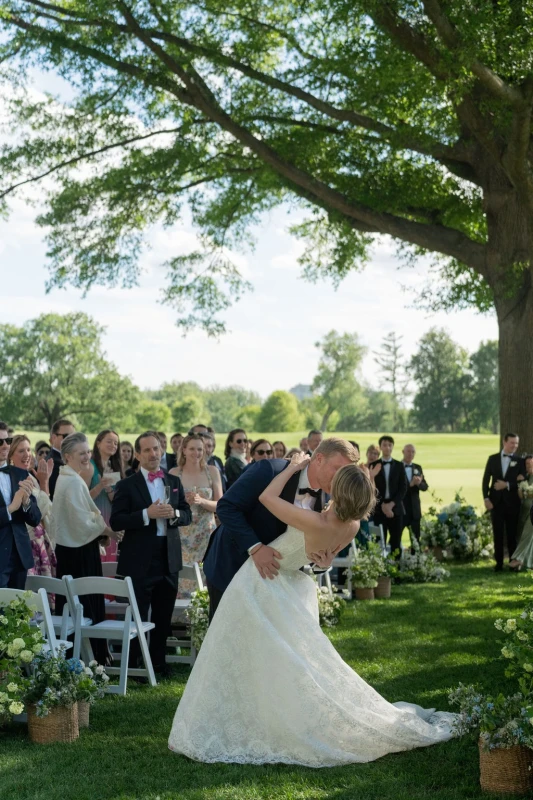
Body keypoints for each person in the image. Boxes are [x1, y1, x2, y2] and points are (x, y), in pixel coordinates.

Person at [169, 452, 456, 765]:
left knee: (245, 653)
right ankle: (256, 714)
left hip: (261, 583)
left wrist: (292, 467)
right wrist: (322, 562)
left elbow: (267, 498)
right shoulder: (352, 526)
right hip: (281, 583)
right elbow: (319, 556)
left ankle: (252, 720)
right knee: (274, 658)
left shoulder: (313, 518)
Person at [203, 438, 359, 620]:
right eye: (338, 469)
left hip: (274, 584)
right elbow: (226, 507)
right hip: (231, 567)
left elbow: (301, 545)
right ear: (319, 459)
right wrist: (255, 547)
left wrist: (321, 564)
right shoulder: (270, 470)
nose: (341, 479)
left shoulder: (329, 500)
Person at [110, 431, 192, 676]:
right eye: (147, 450)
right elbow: (116, 521)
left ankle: (158, 663)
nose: (153, 453)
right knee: (138, 612)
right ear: (137, 455)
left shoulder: (173, 481)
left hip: (168, 556)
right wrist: (147, 514)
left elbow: (187, 514)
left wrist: (174, 514)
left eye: (156, 448)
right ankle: (136, 664)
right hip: (139, 557)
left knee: (163, 613)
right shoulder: (126, 485)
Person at [50, 433, 117, 663]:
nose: (87, 456)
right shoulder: (72, 481)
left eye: (88, 452)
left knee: (75, 604)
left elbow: (80, 521)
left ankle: (81, 658)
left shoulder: (69, 477)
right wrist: (108, 532)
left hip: (74, 548)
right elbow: (83, 522)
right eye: (81, 453)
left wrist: (99, 534)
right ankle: (88, 659)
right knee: (83, 603)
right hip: (78, 554)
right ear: (67, 456)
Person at [169, 434, 222, 597]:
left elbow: (221, 505)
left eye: (200, 449)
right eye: (192, 449)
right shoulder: (174, 473)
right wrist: (182, 501)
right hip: (182, 535)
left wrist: (201, 501)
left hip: (206, 534)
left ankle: (204, 609)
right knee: (183, 576)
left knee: (205, 577)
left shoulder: (212, 471)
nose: (196, 453)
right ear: (184, 450)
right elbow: (168, 506)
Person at [0, 422, 41, 588]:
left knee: (18, 604)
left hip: (20, 556)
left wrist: (26, 503)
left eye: (7, 441)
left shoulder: (21, 473)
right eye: (0, 442)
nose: (5, 445)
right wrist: (10, 508)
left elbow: (35, 519)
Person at [9, 435, 56, 579]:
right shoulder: (12, 479)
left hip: (39, 541)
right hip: (26, 544)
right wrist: (44, 483)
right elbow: (36, 512)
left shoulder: (31, 477)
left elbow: (45, 508)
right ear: (10, 456)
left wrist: (44, 481)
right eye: (21, 451)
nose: (27, 454)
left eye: (28, 450)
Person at [482, 433, 525, 572]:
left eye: (516, 443)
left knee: (512, 535)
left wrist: (506, 485)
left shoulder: (519, 461)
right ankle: (499, 563)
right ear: (504, 442)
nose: (515, 446)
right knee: (498, 534)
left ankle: (513, 562)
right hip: (496, 503)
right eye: (512, 442)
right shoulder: (492, 459)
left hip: (513, 504)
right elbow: (485, 480)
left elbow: (522, 482)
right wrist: (486, 499)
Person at [87, 430, 124, 562]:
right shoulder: (89, 466)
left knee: (110, 563)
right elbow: (83, 498)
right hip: (93, 521)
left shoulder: (114, 467)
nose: (113, 445)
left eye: (116, 443)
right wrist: (100, 486)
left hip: (110, 521)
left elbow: (116, 501)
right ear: (98, 443)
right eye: (109, 441)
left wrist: (109, 490)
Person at [370, 435, 408, 556]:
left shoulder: (399, 465)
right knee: (378, 542)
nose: (387, 447)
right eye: (384, 445)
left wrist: (391, 505)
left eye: (390, 445)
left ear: (392, 447)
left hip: (396, 509)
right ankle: (379, 567)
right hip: (379, 509)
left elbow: (403, 488)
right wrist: (382, 505)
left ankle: (397, 567)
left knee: (396, 542)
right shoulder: (374, 465)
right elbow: (372, 488)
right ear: (380, 447)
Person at [401, 444, 428, 549]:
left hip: (414, 510)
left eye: (413, 452)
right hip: (401, 509)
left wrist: (419, 483)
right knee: (396, 539)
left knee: (416, 540)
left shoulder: (417, 467)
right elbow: (395, 488)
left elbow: (425, 487)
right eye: (408, 451)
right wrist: (410, 484)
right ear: (403, 452)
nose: (410, 454)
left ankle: (415, 557)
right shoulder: (397, 466)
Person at [510, 455, 533, 570]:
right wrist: (520, 488)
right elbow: (521, 496)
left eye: (531, 463)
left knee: (527, 534)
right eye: (527, 464)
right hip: (524, 509)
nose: (529, 466)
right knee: (520, 534)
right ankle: (527, 563)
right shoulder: (525, 477)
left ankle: (517, 559)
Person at [47, 418, 75, 500]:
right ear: (54, 437)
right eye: (67, 436)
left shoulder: (67, 458)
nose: (72, 440)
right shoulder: (53, 462)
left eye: (73, 436)